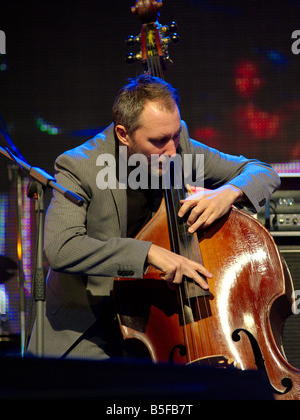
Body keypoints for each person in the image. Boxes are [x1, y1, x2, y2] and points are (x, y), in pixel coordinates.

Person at [27, 74, 280, 360]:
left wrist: (228, 193)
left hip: (161, 317)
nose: (172, 151)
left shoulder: (178, 146)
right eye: (159, 141)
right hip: (92, 322)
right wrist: (149, 253)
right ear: (124, 134)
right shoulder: (79, 166)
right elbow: (62, 248)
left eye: (175, 135)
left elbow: (262, 172)